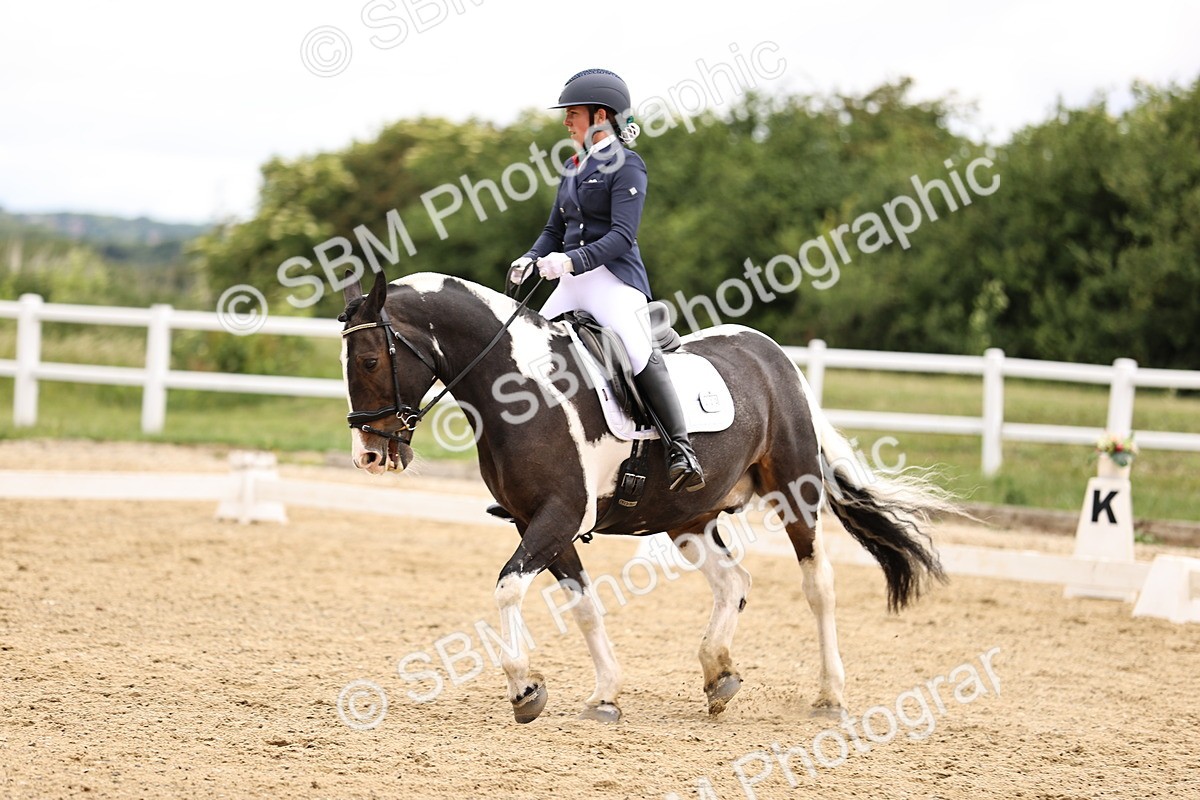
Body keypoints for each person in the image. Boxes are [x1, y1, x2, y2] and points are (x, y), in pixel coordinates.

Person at [509, 68, 704, 492]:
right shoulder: (572, 165)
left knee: (636, 352)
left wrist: (572, 262)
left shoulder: (629, 165)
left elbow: (621, 236)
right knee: (523, 351)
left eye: (573, 113)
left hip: (612, 281)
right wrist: (530, 257)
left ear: (601, 115)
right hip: (572, 281)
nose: (566, 122)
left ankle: (682, 449)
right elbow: (552, 231)